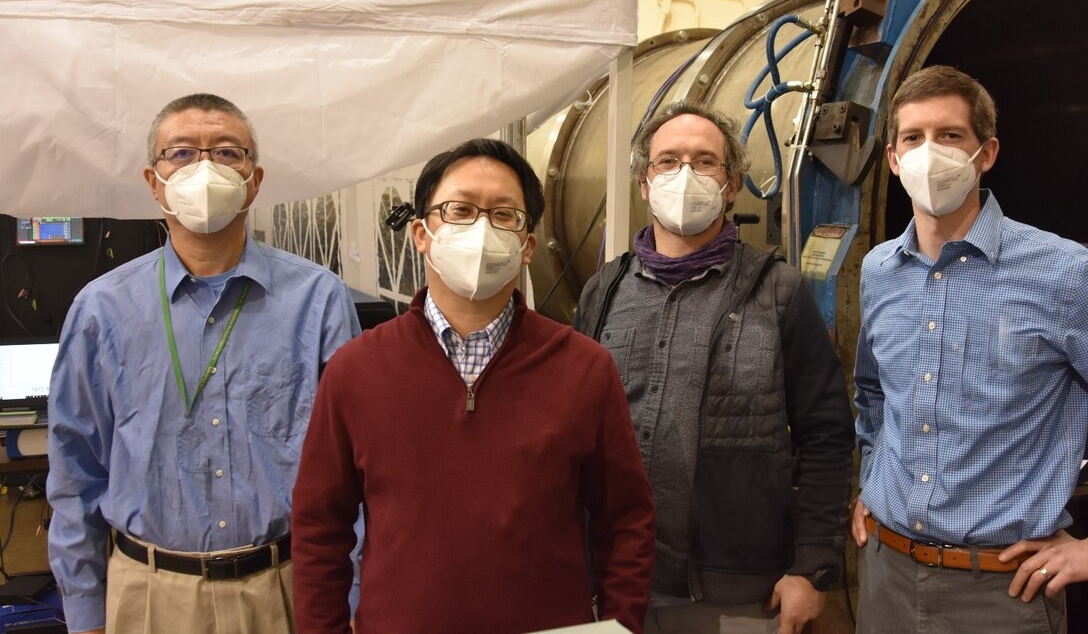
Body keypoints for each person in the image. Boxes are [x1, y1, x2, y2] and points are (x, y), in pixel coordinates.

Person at [291, 138, 655, 634]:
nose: (482, 228)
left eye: (505, 215)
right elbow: (319, 528)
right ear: (421, 233)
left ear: (527, 246)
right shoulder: (355, 370)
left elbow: (625, 520)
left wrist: (621, 625)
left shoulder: (584, 369)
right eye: (459, 210)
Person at [46, 93, 361, 634]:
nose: (205, 168)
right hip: (147, 594)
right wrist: (85, 608)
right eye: (182, 154)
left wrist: (352, 597)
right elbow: (75, 470)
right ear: (154, 180)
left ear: (254, 180)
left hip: (285, 588)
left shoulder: (319, 300)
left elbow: (353, 464)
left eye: (227, 153)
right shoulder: (102, 308)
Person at [573, 101, 855, 634]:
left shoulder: (779, 292)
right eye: (668, 161)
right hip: (617, 581)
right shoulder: (605, 291)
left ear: (731, 185)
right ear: (643, 183)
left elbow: (826, 436)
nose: (685, 175)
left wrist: (812, 567)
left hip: (740, 593)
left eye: (705, 162)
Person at [851, 65, 1088, 633]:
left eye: (950, 136)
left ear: (986, 153)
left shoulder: (1065, 272)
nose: (929, 153)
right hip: (885, 577)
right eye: (913, 138)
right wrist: (872, 481)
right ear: (893, 159)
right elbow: (872, 393)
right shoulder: (880, 269)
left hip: (1002, 593)